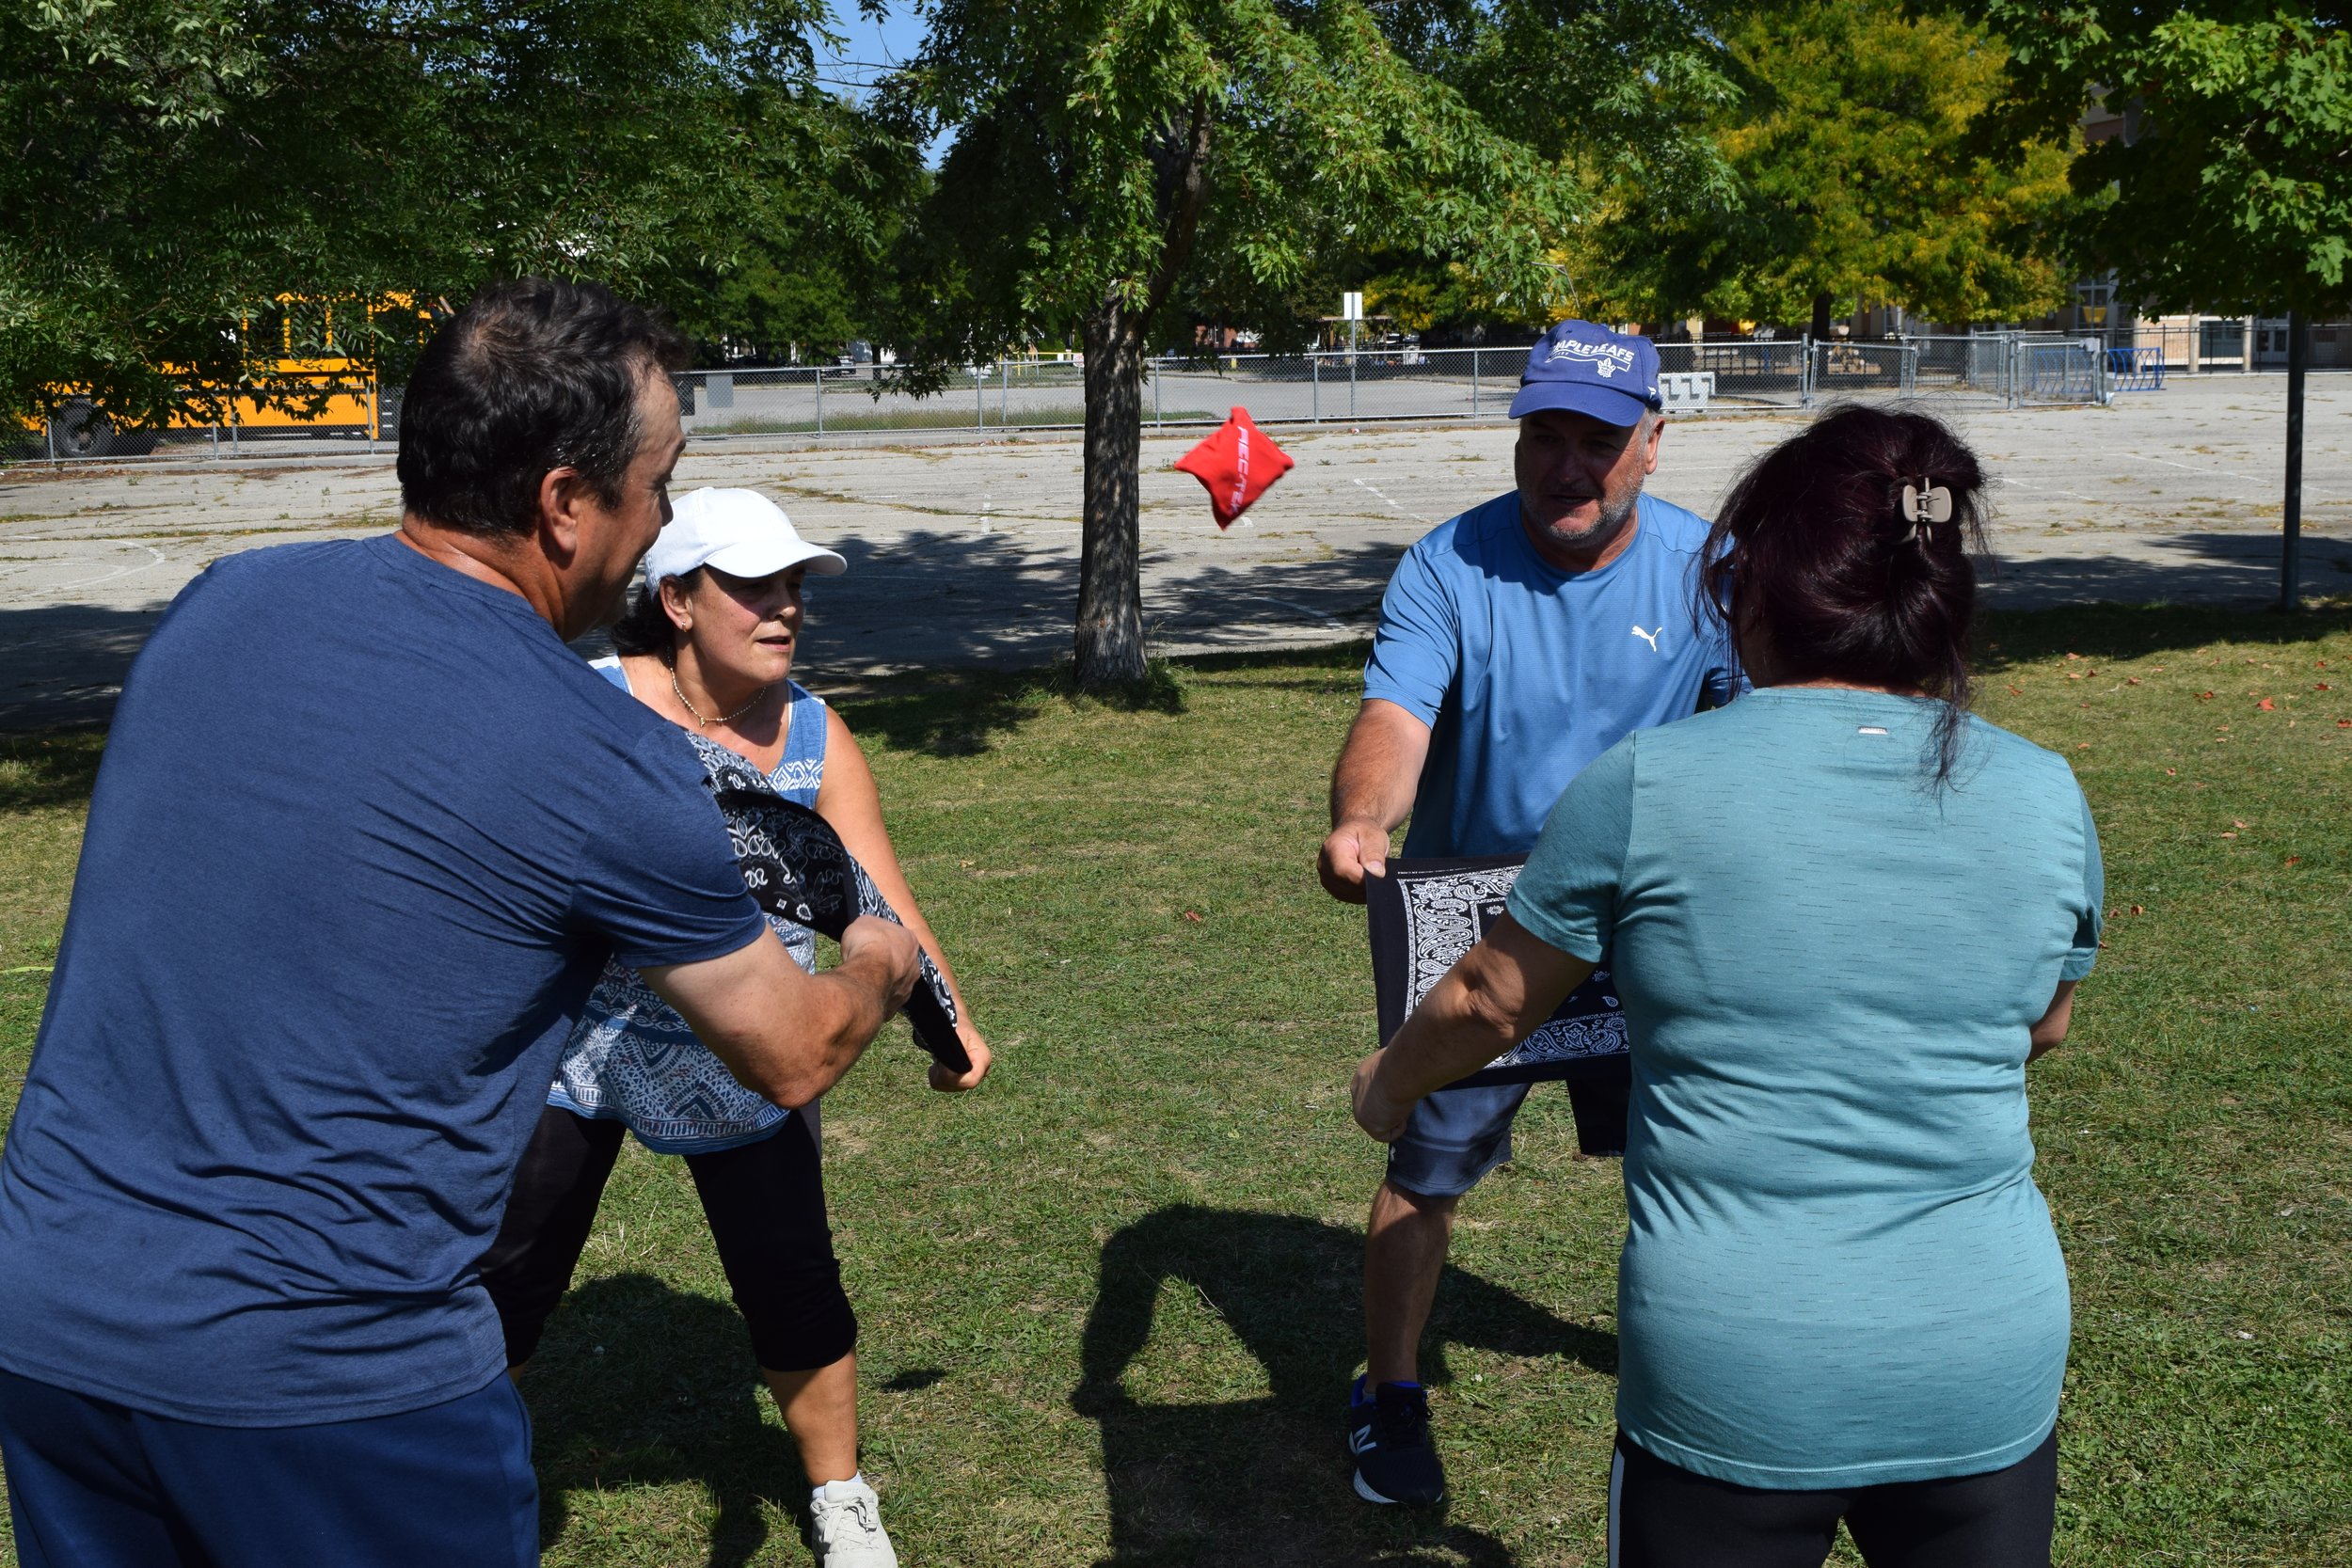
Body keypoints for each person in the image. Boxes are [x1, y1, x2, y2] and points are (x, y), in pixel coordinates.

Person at [0, 280, 921, 1568]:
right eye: (657, 487)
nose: (658, 523)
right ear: (562, 503)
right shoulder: (602, 756)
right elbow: (790, 1051)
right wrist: (881, 953)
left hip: (51, 1318)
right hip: (332, 1382)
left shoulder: (222, 601)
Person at [1350, 404, 2102, 1567]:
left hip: (1736, 1365)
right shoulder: (2049, 792)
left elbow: (1492, 999)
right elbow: (2040, 1024)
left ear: (1752, 586)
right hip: (1985, 1354)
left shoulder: (1643, 784)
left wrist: (1387, 1083)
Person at [480, 487, 990, 1568]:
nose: (784, 607)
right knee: (509, 1272)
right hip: (580, 1049)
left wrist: (950, 1018)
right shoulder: (584, 703)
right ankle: (471, 1471)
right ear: (674, 598)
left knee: (791, 1275)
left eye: (793, 585)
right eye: (752, 585)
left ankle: (841, 1495)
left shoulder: (812, 729)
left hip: (755, 1055)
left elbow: (875, 895)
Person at [1317, 319, 1740, 1507]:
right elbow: (1398, 714)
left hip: (1653, 924)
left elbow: (1757, 729)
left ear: (1653, 443)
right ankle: (1390, 1390)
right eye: (1542, 435)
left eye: (1596, 441)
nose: (1566, 464)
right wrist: (1363, 819)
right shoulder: (1448, 564)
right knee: (1425, 1166)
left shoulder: (1710, 569)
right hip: (1482, 929)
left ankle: (1694, 1356)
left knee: (1693, 1159)